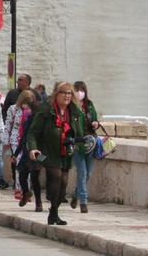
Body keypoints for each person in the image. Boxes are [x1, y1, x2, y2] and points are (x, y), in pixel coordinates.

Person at [27, 81, 86, 225]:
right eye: (63, 92)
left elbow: (80, 132)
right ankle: (53, 212)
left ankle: (54, 212)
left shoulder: (74, 112)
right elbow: (33, 132)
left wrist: (80, 142)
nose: (67, 96)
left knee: (64, 183)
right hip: (44, 152)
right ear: (56, 94)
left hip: (66, 153)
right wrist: (32, 148)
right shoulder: (46, 111)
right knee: (56, 176)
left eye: (69, 93)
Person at [5, 90, 42, 210]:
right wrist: (15, 154)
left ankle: (39, 203)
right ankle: (25, 192)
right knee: (21, 172)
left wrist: (44, 157)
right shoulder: (27, 118)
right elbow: (25, 137)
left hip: (38, 152)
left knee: (36, 176)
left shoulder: (38, 118)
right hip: (26, 152)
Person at [71, 81, 100, 213]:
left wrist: (95, 123)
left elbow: (95, 119)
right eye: (76, 90)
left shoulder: (89, 104)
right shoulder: (71, 107)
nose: (79, 92)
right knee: (82, 173)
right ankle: (83, 202)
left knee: (88, 174)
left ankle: (76, 194)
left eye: (81, 90)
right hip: (78, 144)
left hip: (91, 142)